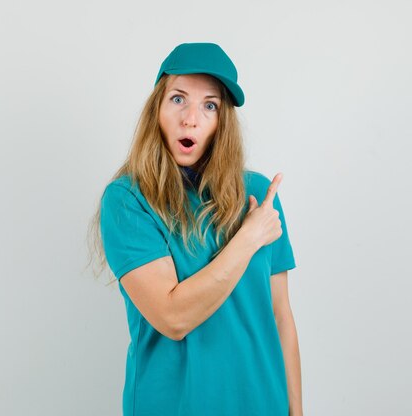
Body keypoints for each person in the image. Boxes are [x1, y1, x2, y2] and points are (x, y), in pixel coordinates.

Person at [89, 42, 303, 416]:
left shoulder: (257, 194)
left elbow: (281, 316)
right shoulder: (128, 201)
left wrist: (296, 412)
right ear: (157, 108)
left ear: (222, 122)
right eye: (177, 99)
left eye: (209, 105)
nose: (191, 118)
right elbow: (173, 318)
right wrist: (248, 239)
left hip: (262, 404)